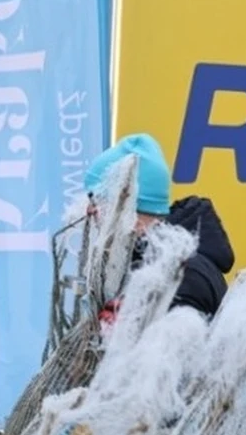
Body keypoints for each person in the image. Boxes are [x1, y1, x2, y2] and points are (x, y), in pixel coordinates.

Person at [83, 133, 235, 320]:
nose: (90, 210)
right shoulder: (148, 263)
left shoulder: (181, 277)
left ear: (129, 205)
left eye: (98, 199)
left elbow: (175, 348)